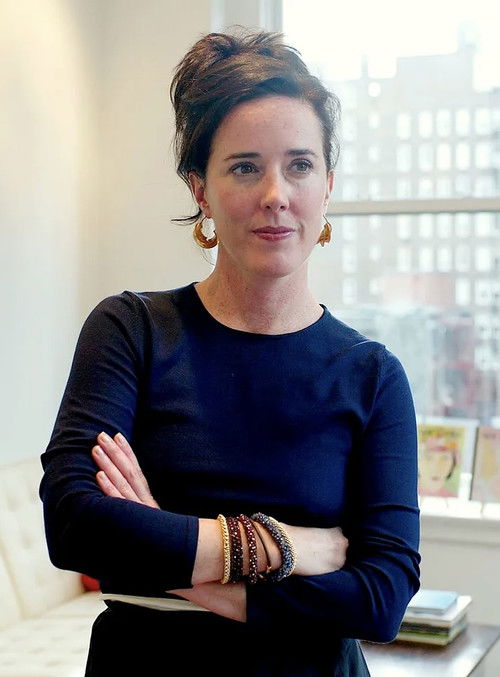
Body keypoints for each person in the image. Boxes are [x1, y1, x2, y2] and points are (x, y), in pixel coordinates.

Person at [39, 29, 420, 676]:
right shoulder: (131, 330)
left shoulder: (372, 374)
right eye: (245, 167)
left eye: (300, 165)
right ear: (200, 189)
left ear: (327, 185)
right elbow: (75, 525)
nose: (276, 193)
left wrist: (172, 553)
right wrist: (286, 545)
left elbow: (380, 599)